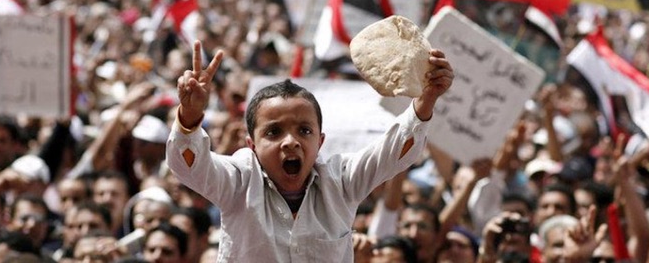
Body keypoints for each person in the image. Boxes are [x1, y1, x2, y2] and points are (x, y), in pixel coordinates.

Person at [166, 40, 453, 261]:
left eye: (304, 131)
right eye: (273, 132)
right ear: (251, 145)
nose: (290, 142)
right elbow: (189, 165)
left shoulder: (341, 181)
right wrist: (189, 116)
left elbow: (396, 152)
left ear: (320, 141)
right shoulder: (238, 181)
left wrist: (426, 101)